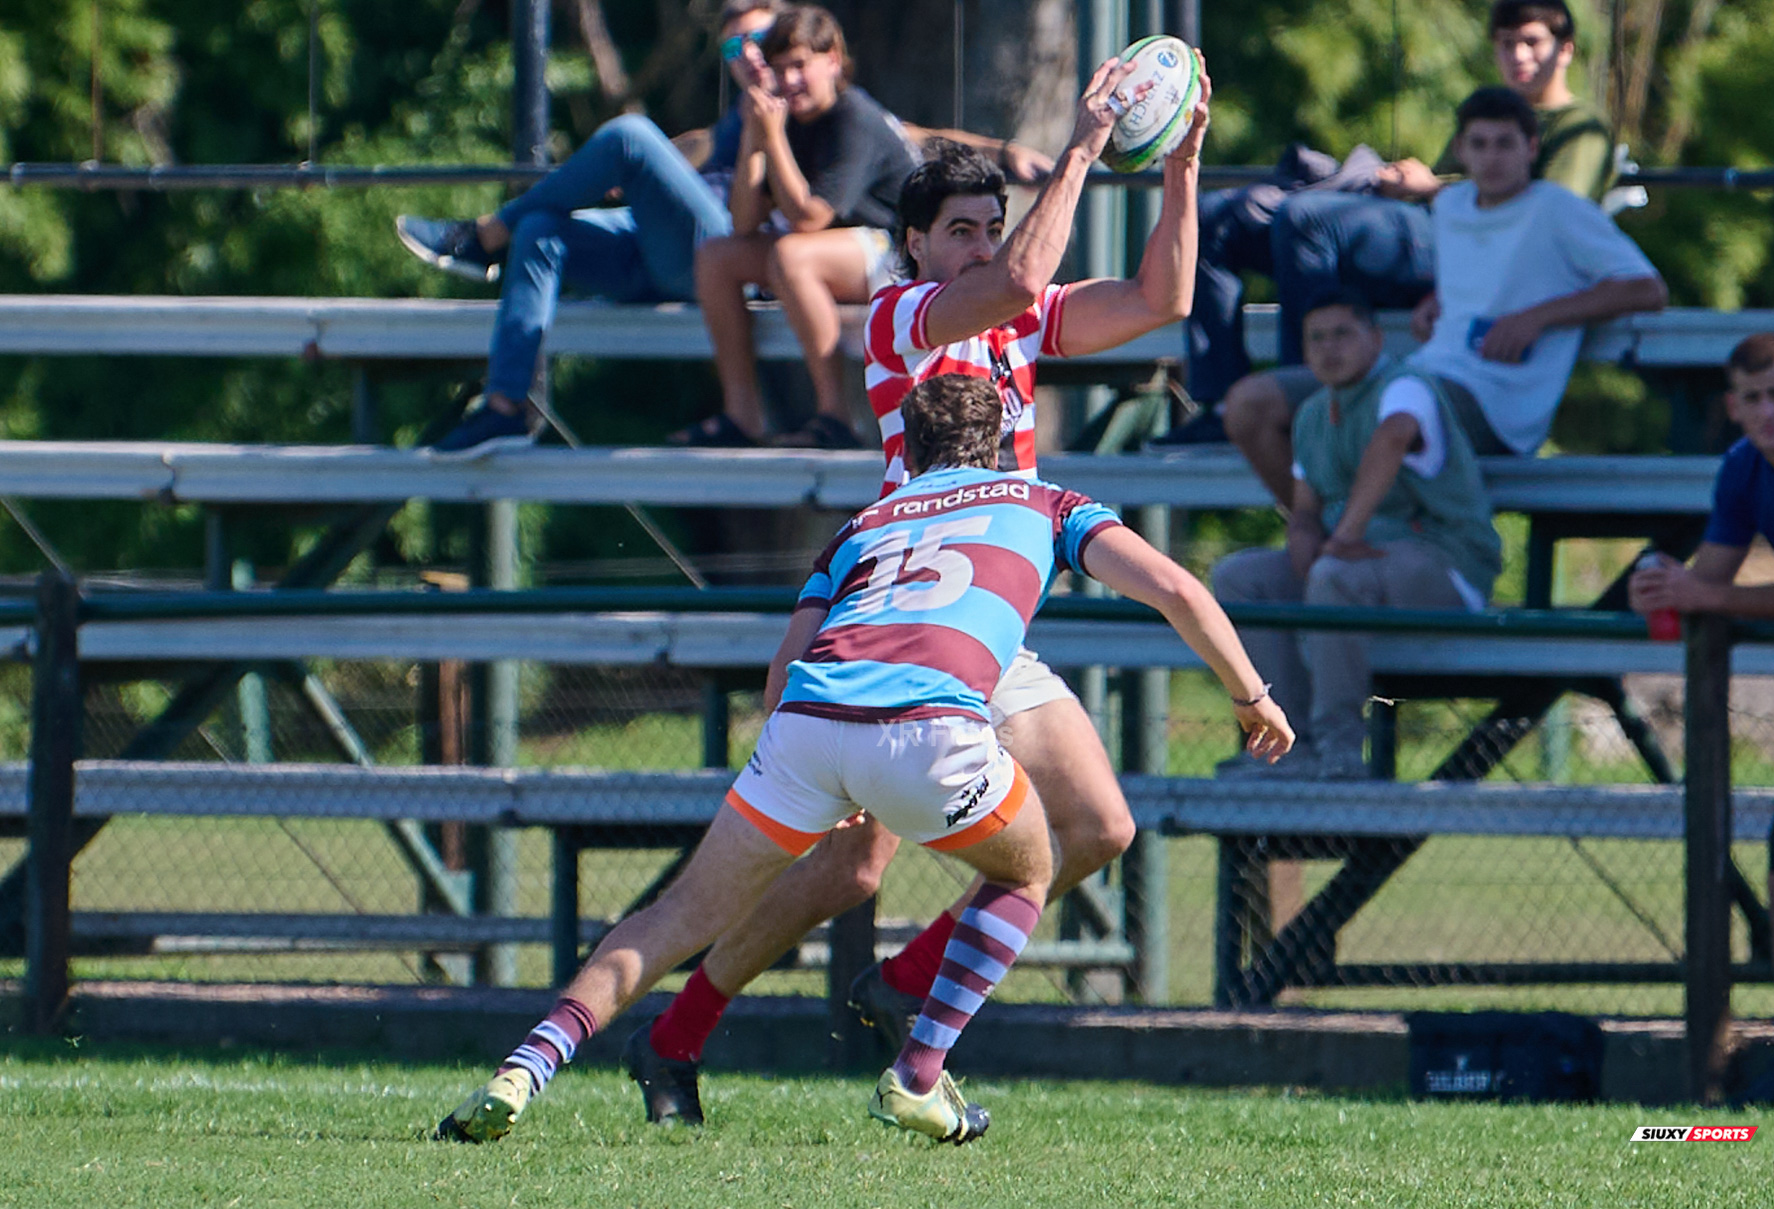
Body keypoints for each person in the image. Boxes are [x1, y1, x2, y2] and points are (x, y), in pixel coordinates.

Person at [435, 373, 1292, 1145]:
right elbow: (1178, 587)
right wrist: (1250, 694)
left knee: (673, 916)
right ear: (999, 442)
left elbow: (781, 671)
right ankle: (919, 1076)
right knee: (1031, 864)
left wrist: (826, 777)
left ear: (906, 449)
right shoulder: (1048, 501)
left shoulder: (865, 522)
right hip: (930, 724)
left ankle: (523, 1068)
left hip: (809, 720)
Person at [621, 53, 1213, 1126]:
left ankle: (900, 986)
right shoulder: (901, 314)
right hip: (902, 615)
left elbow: (1162, 296)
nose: (982, 245)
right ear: (917, 244)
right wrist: (1081, 144)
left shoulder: (1011, 319)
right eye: (963, 231)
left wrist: (1181, 162)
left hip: (984, 620)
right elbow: (1025, 282)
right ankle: (675, 1035)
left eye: (993, 227)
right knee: (846, 872)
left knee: (1100, 829)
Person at [397, 1, 1054, 457]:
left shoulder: (819, 107)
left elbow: (895, 140)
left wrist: (1000, 148)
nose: (756, 61)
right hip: (680, 246)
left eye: (765, 46)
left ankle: (484, 235)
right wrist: (686, 159)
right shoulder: (755, 112)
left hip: (840, 248)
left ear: (820, 56)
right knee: (543, 227)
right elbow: (715, 185)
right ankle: (505, 407)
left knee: (631, 137)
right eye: (738, 48)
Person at [1178, 0, 1619, 446]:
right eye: (1507, 44)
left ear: (1565, 50)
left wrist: (1428, 188)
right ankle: (1219, 402)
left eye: (1532, 42)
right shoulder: (1492, 111)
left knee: (1306, 219)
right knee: (1215, 220)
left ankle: (1304, 404)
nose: (1519, 56)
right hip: (1432, 232)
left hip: (1464, 251)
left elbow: (1534, 219)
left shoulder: (1580, 127)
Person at [1228, 85, 1664, 509]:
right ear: (1461, 148)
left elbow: (1647, 289)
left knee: (1388, 415)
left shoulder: (1558, 209)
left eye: (1505, 144)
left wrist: (1537, 318)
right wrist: (1437, 298)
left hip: (1494, 406)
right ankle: (1316, 529)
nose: (1492, 158)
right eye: (1480, 144)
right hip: (1425, 374)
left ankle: (1348, 538)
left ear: (1531, 148)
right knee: (1250, 405)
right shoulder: (1453, 205)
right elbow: (1484, 272)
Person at [1211, 292, 1501, 778]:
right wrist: (1303, 535)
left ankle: (1340, 752)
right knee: (1241, 577)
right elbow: (1305, 507)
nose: (1329, 348)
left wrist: (1342, 538)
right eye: (1317, 338)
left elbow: (1393, 437)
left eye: (1343, 333)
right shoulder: (1311, 414)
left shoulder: (1406, 386)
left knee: (1333, 576)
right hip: (1356, 567)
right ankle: (1285, 747)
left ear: (1377, 339)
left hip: (1446, 565)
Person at [1628, 333, 1774, 1109]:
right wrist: (1661, 587)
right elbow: (1711, 579)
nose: (1766, 411)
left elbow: (1760, 596)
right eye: (1752, 398)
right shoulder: (1743, 469)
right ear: (1733, 406)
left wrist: (1707, 597)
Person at [679, 6, 918, 450]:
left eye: (800, 66)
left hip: (904, 255)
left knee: (790, 254)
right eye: (779, 68)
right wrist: (755, 134)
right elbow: (744, 222)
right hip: (838, 255)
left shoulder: (854, 119)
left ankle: (835, 418)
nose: (788, 81)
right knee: (717, 257)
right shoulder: (784, 118)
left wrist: (771, 140)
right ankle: (742, 415)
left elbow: (808, 218)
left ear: (832, 60)